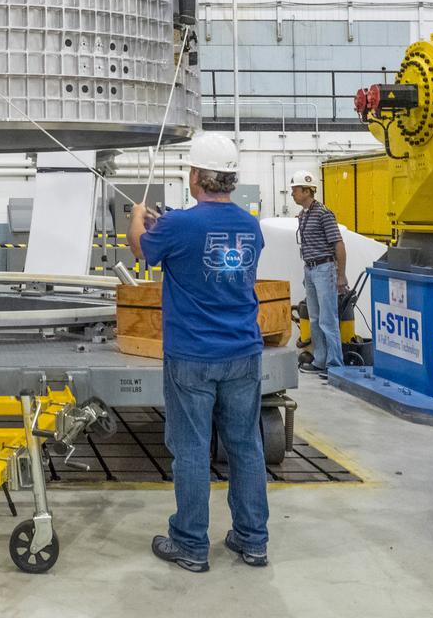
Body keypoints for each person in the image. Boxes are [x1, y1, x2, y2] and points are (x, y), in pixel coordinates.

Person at [128, 133, 270, 572]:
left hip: (192, 354)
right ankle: (252, 540)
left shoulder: (178, 225)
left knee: (190, 448)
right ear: (229, 180)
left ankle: (190, 544)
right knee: (245, 445)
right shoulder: (250, 225)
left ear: (195, 177)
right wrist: (164, 227)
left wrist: (137, 219)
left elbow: (141, 251)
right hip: (244, 351)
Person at [290, 169, 348, 378]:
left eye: (295, 189)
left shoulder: (324, 214)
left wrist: (340, 276)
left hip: (325, 269)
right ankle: (320, 360)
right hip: (311, 269)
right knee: (314, 319)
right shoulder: (304, 216)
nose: (293, 194)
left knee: (328, 319)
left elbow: (338, 245)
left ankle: (335, 365)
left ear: (307, 190)